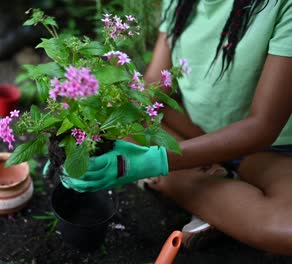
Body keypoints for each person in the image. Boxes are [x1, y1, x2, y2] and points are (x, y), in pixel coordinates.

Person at [61, 0, 292, 255]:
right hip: (195, 127)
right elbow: (154, 86)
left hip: (267, 149)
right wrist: (77, 123)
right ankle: (221, 196)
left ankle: (178, 184)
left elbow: (263, 126)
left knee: (285, 227)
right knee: (118, 123)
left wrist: (154, 162)